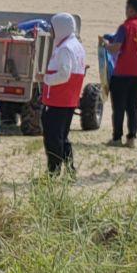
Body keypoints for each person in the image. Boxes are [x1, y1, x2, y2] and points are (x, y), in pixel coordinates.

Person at [100, 0, 137, 147]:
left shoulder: (126, 26)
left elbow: (116, 47)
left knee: (119, 107)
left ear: (130, 9)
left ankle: (117, 138)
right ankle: (132, 138)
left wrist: (105, 45)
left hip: (122, 72)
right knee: (133, 107)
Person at [40, 13, 87, 176]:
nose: (51, 32)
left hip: (58, 100)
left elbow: (64, 74)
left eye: (52, 28)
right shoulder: (76, 45)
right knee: (62, 137)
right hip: (68, 100)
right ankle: (69, 169)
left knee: (53, 137)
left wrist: (46, 78)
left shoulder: (66, 48)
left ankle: (53, 171)